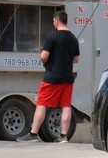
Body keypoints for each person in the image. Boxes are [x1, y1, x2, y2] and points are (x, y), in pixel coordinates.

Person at [16, 10, 80, 143]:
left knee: (42, 104)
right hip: (68, 78)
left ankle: (33, 134)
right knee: (66, 106)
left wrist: (46, 60)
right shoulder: (73, 38)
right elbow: (76, 59)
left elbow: (44, 56)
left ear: (56, 20)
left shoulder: (52, 37)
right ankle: (63, 136)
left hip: (52, 77)